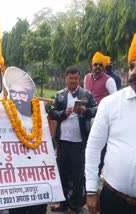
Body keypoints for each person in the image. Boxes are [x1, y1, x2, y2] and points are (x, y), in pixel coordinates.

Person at [85, 34, 136, 214]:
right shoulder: (112, 103)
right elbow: (93, 147)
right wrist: (91, 190)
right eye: (131, 66)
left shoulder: (108, 81)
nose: (134, 72)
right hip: (113, 199)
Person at [48, 65, 97, 213]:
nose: (73, 81)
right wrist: (64, 113)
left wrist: (86, 110)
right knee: (62, 172)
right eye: (70, 78)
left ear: (79, 79)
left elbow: (96, 110)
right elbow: (52, 113)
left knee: (77, 174)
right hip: (62, 142)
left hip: (79, 142)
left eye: (76, 78)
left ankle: (75, 205)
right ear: (66, 79)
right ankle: (62, 203)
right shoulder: (60, 95)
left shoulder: (86, 95)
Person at [4, 67, 47, 214]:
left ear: (29, 95)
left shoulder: (39, 114)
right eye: (13, 93)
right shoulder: (3, 112)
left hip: (36, 177)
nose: (17, 97)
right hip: (14, 177)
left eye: (22, 93)